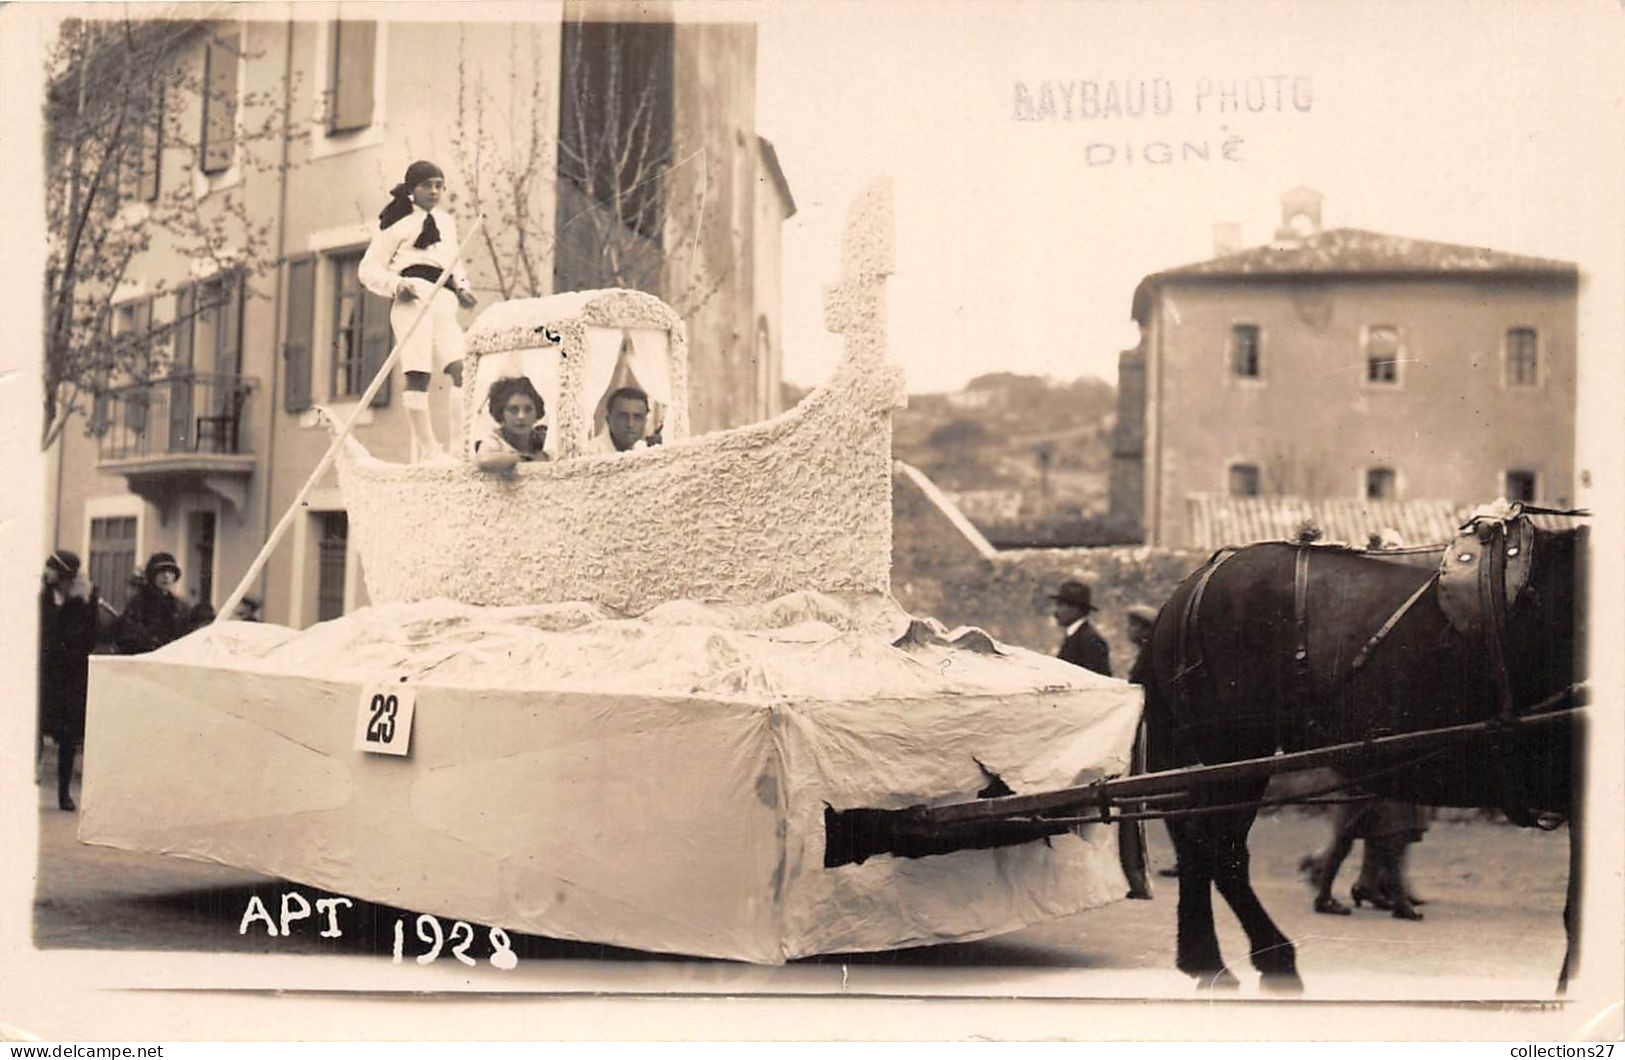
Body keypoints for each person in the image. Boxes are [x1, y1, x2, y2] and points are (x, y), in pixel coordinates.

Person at [358, 160, 478, 462]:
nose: (434, 191)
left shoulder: (447, 223)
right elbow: (368, 268)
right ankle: (428, 450)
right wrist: (396, 284)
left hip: (443, 301)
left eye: (440, 185)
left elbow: (454, 263)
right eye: (428, 185)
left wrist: (463, 287)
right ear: (413, 188)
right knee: (418, 373)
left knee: (461, 369)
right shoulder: (396, 222)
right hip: (412, 300)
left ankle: (458, 447)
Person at [39, 551, 99, 811]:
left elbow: (91, 634)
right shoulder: (42, 597)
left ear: (62, 573)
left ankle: (64, 794)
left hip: (71, 677)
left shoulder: (85, 599)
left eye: (51, 568)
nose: (46, 572)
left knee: (67, 736)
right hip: (43, 674)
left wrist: (78, 605)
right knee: (34, 730)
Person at [1302, 795, 1427, 920]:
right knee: (1343, 842)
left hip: (1374, 788)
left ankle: (1400, 902)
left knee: (1386, 838)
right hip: (1359, 788)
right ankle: (1323, 898)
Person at [115, 552, 191, 655]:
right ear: (152, 575)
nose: (166, 576)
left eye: (170, 572)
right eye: (161, 572)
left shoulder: (181, 607)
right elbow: (129, 636)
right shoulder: (138, 604)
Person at [474, 376, 551, 471]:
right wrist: (523, 459)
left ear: (537, 412)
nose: (521, 416)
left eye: (528, 409)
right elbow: (483, 461)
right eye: (513, 410)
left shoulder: (543, 438)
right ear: (501, 413)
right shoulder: (495, 440)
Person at [1051, 579, 1110, 676]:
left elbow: (1100, 678)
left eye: (1061, 606)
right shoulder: (1074, 635)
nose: (1056, 612)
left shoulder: (1090, 639)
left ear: (1077, 609)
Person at [588, 386, 664, 454]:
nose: (630, 424)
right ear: (608, 420)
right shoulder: (590, 454)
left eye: (637, 417)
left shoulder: (645, 451)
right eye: (623, 417)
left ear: (645, 421)